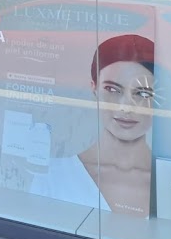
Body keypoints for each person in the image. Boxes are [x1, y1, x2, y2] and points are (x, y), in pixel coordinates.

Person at [30, 34, 155, 217]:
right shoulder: (53, 178)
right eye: (112, 90)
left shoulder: (169, 184)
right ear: (94, 89)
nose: (125, 107)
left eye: (142, 94)